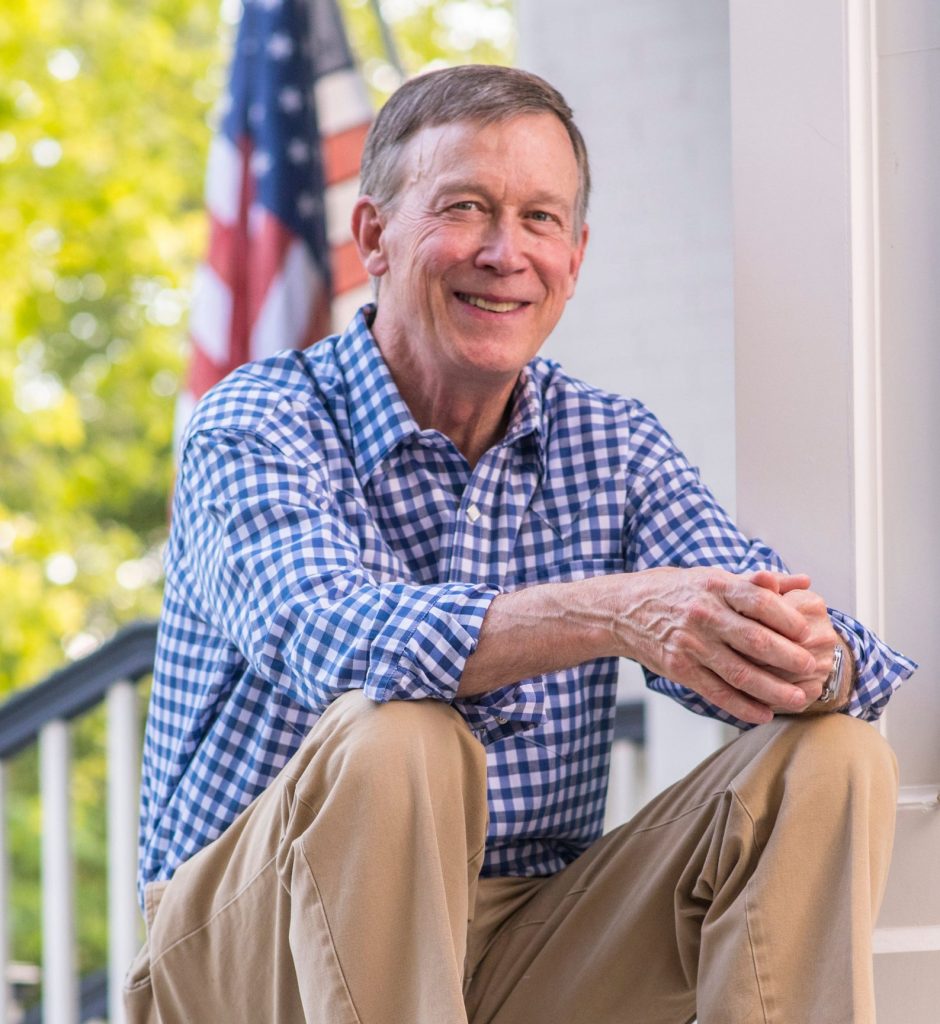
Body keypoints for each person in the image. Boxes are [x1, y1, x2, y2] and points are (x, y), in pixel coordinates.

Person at [125, 64, 916, 1024]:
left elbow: (833, 662)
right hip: (253, 943)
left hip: (522, 937)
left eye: (541, 219)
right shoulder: (259, 421)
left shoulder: (611, 443)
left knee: (831, 758)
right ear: (373, 236)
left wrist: (798, 655)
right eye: (466, 208)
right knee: (401, 732)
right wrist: (615, 613)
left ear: (575, 259)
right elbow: (331, 639)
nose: (506, 253)